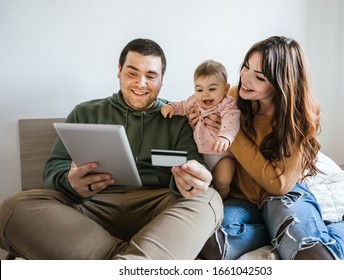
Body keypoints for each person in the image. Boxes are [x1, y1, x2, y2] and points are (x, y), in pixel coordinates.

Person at [0, 38, 223, 260]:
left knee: (210, 200)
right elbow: (53, 168)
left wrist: (191, 180)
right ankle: (131, 263)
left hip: (158, 206)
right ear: (119, 71)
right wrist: (70, 181)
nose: (141, 83)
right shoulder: (85, 113)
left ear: (162, 80)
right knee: (12, 208)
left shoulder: (179, 119)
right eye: (132, 73)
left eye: (151, 76)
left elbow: (194, 167)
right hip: (91, 206)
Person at [191, 36, 344, 260]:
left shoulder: (300, 116)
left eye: (258, 76)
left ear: (280, 82)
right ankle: (280, 233)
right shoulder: (233, 97)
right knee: (209, 245)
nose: (244, 79)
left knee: (315, 259)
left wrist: (234, 138)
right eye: (245, 67)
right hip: (241, 198)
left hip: (280, 196)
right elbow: (197, 111)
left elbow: (280, 184)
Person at [161, 59, 240, 199]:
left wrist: (225, 136)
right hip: (201, 155)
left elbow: (231, 120)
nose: (205, 94)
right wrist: (172, 107)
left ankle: (220, 199)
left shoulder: (227, 105)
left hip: (223, 156)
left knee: (222, 180)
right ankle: (206, 199)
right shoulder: (194, 101)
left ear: (226, 89)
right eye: (199, 89)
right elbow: (183, 106)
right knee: (200, 179)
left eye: (212, 89)